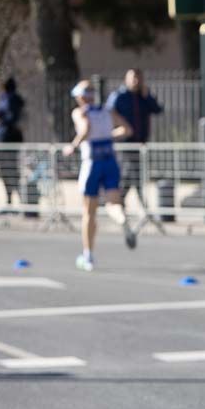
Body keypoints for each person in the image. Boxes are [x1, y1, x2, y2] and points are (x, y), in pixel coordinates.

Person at [62, 80, 137, 271]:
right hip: (110, 161)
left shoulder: (80, 112)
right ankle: (122, 221)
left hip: (92, 162)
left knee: (88, 212)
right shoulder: (106, 111)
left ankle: (88, 255)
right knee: (113, 203)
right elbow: (127, 129)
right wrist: (108, 136)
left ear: (80, 97)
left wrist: (73, 145)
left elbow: (85, 129)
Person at [105, 68, 163, 216]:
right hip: (125, 143)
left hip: (140, 143)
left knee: (136, 175)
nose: (136, 82)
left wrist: (147, 96)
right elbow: (108, 113)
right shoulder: (119, 96)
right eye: (133, 78)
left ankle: (122, 204)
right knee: (129, 173)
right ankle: (127, 204)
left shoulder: (143, 96)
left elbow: (157, 110)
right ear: (126, 79)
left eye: (139, 78)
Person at [0, 77, 25, 213]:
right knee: (7, 171)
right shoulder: (7, 99)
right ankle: (10, 201)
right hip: (3, 139)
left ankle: (17, 201)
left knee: (10, 170)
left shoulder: (10, 99)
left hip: (7, 140)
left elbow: (11, 117)